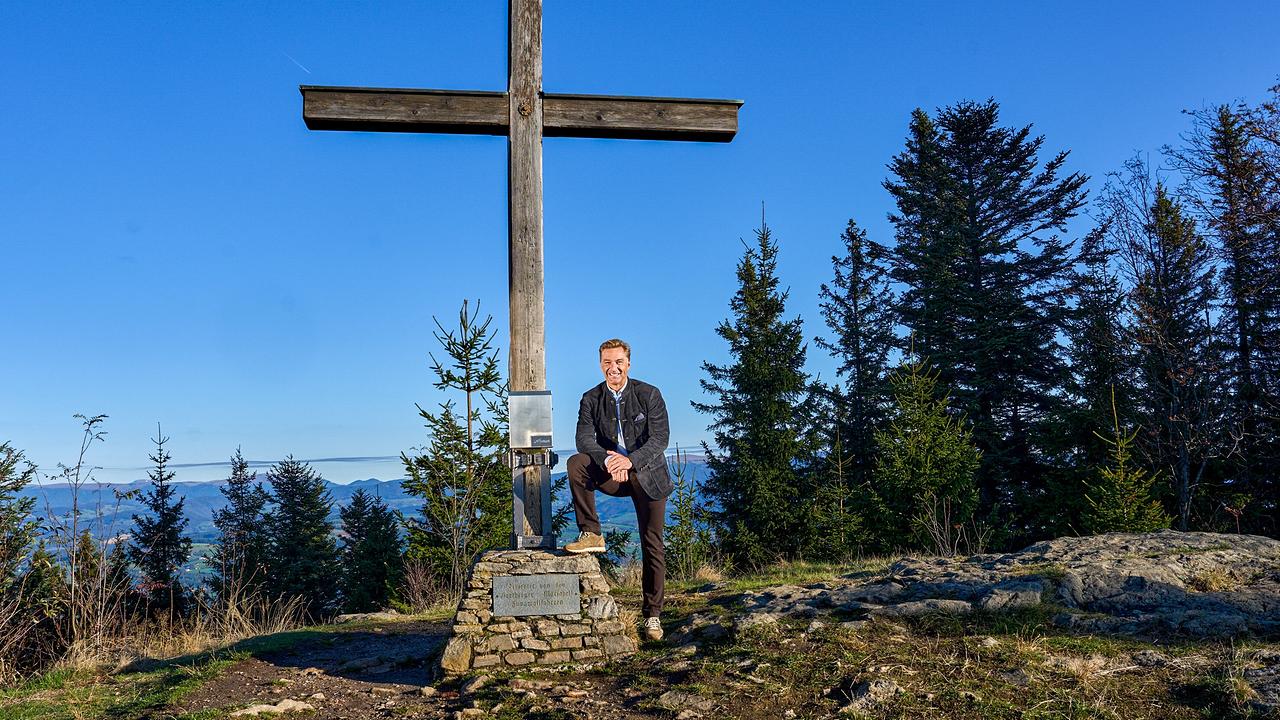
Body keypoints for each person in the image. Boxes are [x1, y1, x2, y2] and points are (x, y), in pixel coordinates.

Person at [564, 338, 673, 641]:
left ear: (628, 363)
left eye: (618, 362)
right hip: (612, 471)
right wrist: (608, 459)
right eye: (607, 363)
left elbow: (660, 438)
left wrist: (630, 460)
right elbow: (584, 439)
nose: (613, 368)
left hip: (648, 475)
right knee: (576, 463)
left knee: (653, 544)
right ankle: (591, 532)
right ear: (600, 365)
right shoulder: (590, 399)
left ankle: (652, 615)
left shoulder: (649, 394)